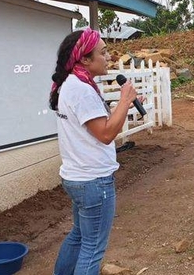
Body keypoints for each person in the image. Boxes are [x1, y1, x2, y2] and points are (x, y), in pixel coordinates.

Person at [50, 28, 138, 275]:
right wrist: (124, 101)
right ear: (85, 59)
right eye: (103, 52)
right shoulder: (82, 90)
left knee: (79, 236)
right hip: (93, 182)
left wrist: (116, 107)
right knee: (92, 248)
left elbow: (95, 126)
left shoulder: (70, 83)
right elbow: (107, 134)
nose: (108, 56)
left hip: (76, 177)